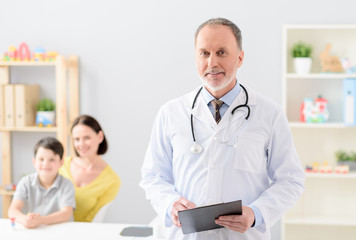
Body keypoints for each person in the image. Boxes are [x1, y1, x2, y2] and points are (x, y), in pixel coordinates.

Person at [140, 17, 305, 239]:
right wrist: (170, 204)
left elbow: (291, 179)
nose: (211, 63)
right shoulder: (171, 113)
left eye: (221, 52)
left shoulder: (269, 114)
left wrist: (256, 213)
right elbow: (153, 176)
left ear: (240, 57)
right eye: (204, 53)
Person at [59, 115, 121, 222]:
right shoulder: (60, 165)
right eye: (77, 139)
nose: (81, 144)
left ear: (100, 137)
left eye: (86, 138)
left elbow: (93, 219)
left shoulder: (112, 181)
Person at [8, 137, 75, 229]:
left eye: (52, 160)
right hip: (36, 230)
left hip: (61, 230)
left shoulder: (67, 185)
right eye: (41, 159)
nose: (46, 164)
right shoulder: (26, 182)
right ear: (34, 162)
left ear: (61, 163)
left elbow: (66, 214)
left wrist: (41, 220)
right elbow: (13, 210)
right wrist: (25, 220)